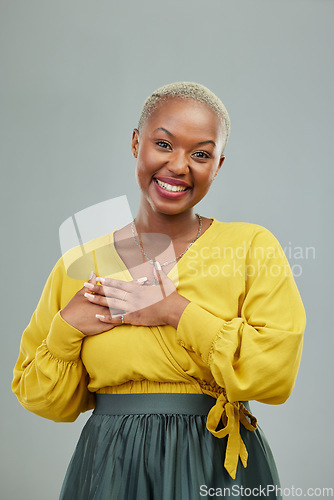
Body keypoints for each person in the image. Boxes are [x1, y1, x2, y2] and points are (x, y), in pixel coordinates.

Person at [12, 82, 306, 500]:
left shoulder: (252, 246)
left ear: (218, 165)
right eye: (164, 144)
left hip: (213, 462)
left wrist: (175, 311)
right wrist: (66, 327)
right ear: (136, 143)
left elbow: (274, 372)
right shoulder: (80, 265)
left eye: (201, 153)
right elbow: (43, 398)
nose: (179, 165)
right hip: (109, 463)